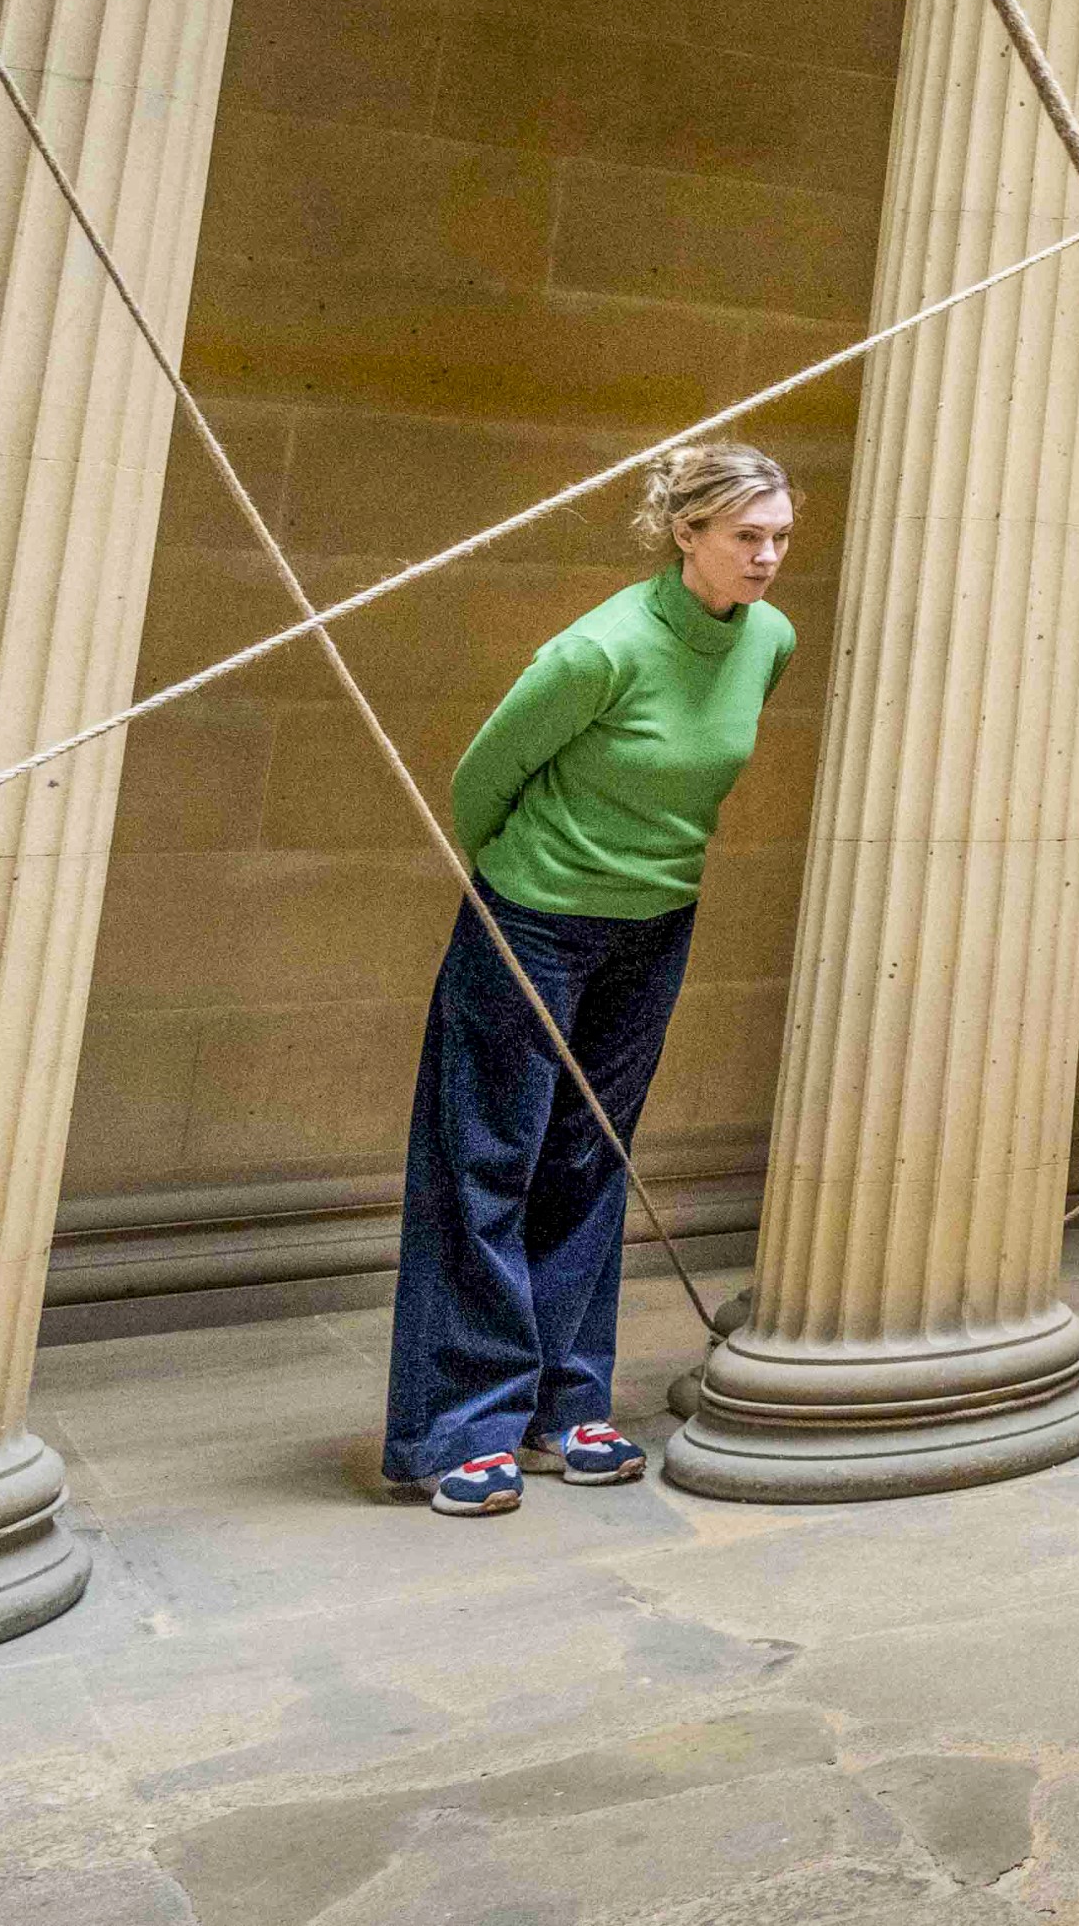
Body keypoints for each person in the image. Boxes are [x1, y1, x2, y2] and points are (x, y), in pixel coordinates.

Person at [383, 442, 799, 1513]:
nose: (765, 558)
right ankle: (459, 1429)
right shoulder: (595, 651)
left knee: (590, 1157)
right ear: (686, 533)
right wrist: (535, 888)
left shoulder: (769, 641)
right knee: (489, 1164)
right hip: (532, 920)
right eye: (746, 536)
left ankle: (565, 1409)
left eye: (780, 537)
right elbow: (483, 786)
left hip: (655, 926)